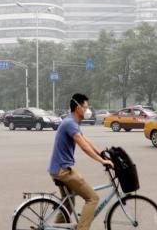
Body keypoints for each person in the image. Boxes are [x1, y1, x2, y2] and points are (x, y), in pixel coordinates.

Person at [48, 93, 114, 230]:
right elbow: (84, 147)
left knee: (68, 202)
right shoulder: (70, 123)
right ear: (78, 107)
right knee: (92, 198)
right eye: (85, 107)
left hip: (58, 168)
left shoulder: (72, 122)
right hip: (63, 170)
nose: (87, 110)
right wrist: (102, 161)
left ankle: (57, 228)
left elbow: (86, 141)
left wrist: (102, 154)